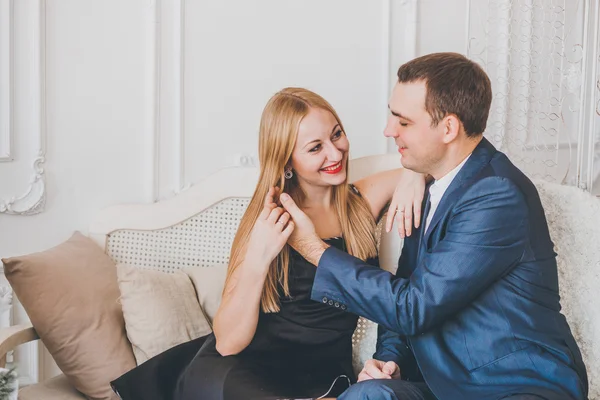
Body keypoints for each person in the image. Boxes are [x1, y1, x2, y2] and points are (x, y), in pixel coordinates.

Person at [279, 53, 589, 400]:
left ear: (448, 128)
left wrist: (314, 249)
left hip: (515, 385)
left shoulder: (496, 195)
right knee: (366, 395)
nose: (388, 130)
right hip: (444, 386)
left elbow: (413, 306)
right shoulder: (436, 183)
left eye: (403, 122)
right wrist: (389, 359)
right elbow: (407, 284)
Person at [110, 87, 428, 400]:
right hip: (242, 370)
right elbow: (228, 343)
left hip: (323, 374)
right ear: (287, 162)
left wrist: (413, 175)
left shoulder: (360, 204)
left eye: (336, 135)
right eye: (315, 148)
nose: (336, 153)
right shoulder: (269, 220)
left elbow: (431, 164)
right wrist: (259, 258)